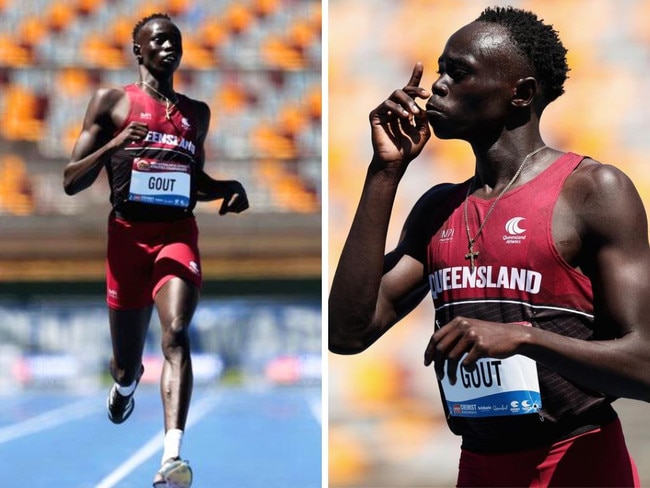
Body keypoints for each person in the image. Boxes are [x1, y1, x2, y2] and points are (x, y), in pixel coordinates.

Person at [329, 6, 650, 487]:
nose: (437, 85)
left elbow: (645, 363)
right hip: (480, 467)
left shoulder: (593, 191)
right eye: (440, 70)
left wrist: (525, 337)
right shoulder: (438, 207)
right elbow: (347, 333)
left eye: (458, 73)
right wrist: (384, 173)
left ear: (520, 93)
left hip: (577, 462)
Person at [63, 12, 249, 488]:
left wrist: (225, 187)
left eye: (175, 40)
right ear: (138, 51)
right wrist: (117, 144)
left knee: (177, 333)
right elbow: (70, 180)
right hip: (126, 238)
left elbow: (192, 180)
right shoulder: (112, 103)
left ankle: (172, 458)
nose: (168, 47)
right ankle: (125, 385)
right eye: (158, 41)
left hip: (177, 234)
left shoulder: (196, 114)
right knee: (126, 360)